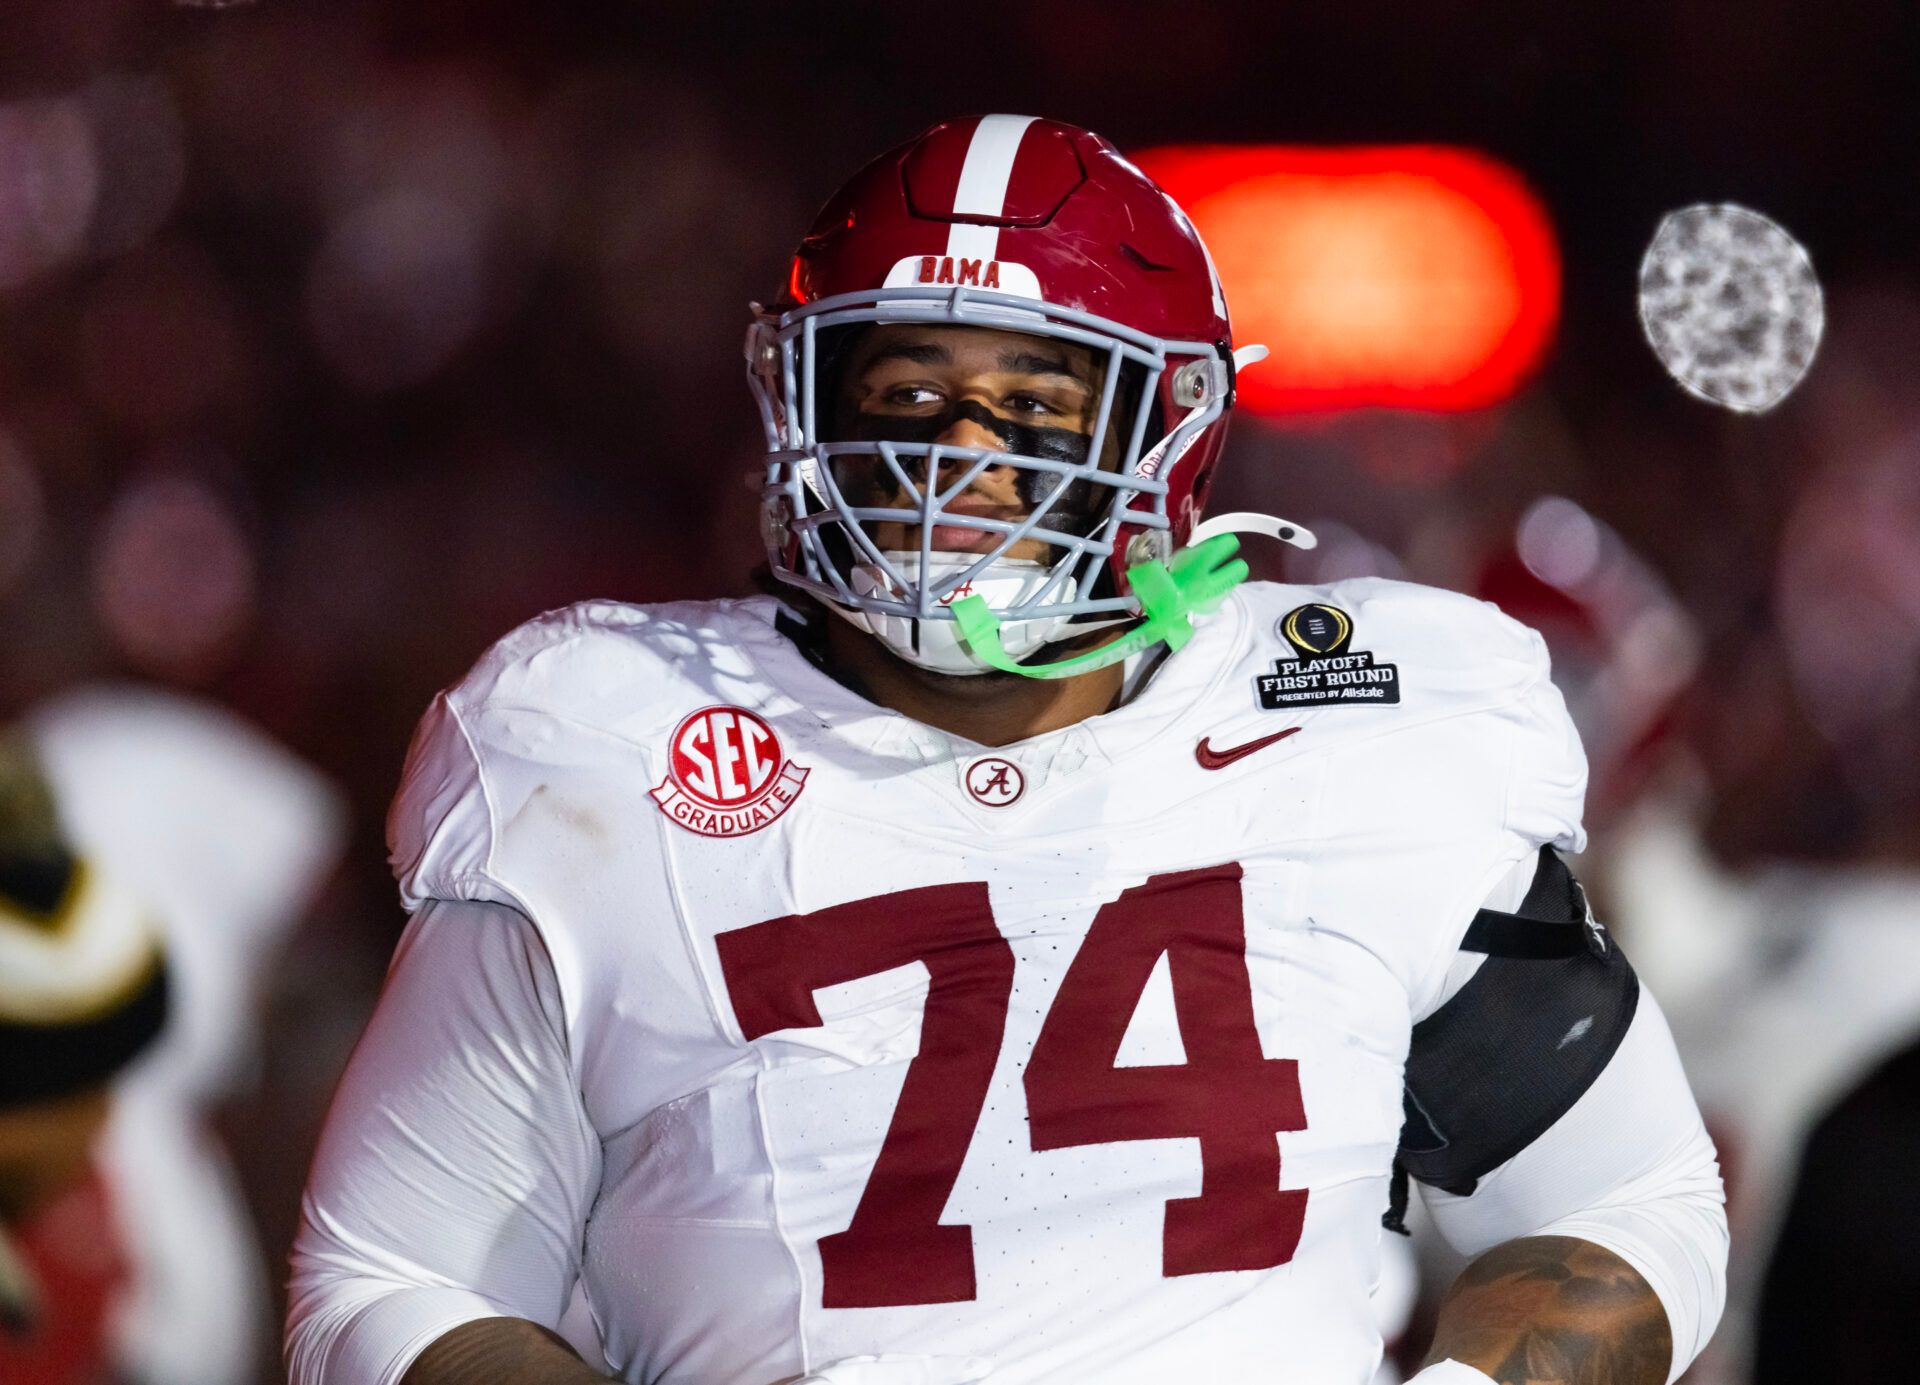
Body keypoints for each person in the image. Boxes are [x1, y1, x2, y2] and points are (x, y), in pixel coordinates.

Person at [286, 115, 1727, 1385]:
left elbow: (1631, 1197)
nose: (963, 458)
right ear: (808, 410)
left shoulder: (1351, 728)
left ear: (1167, 434)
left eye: (1039, 405)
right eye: (904, 395)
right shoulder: (607, 735)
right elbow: (394, 1275)